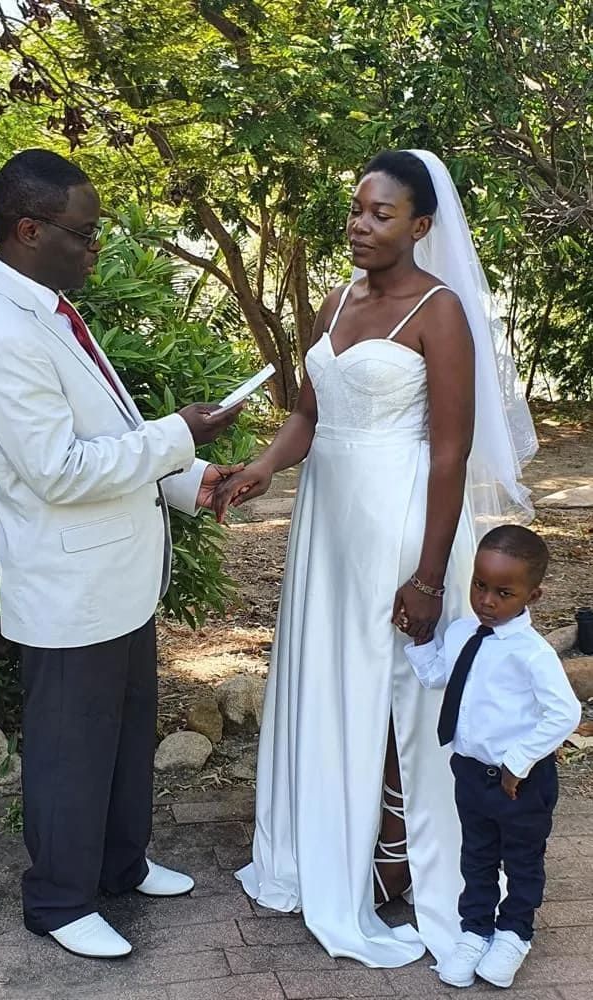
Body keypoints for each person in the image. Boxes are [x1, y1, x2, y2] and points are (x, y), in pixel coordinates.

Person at [213, 150, 537, 969]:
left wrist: (428, 578)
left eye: (380, 213)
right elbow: (307, 416)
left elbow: (450, 454)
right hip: (327, 525)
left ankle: (409, 854)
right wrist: (262, 468)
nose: (359, 225)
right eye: (356, 210)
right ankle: (342, 847)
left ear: (421, 225)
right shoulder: (335, 301)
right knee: (333, 681)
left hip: (401, 522)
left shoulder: (440, 311)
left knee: (400, 693)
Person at [0, 149, 242, 959]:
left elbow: (108, 437)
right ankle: (59, 900)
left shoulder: (50, 312)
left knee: (121, 734)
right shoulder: (2, 336)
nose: (94, 247)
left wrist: (188, 480)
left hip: (114, 576)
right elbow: (59, 470)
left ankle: (120, 864)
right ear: (28, 230)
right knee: (70, 748)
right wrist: (178, 433)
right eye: (83, 234)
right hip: (69, 584)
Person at [405, 526, 580, 989]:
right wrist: (421, 642)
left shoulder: (532, 653)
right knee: (477, 856)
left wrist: (518, 761)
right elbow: (439, 677)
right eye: (480, 585)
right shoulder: (463, 632)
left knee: (522, 860)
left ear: (532, 596)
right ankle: (475, 931)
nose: (486, 600)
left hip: (520, 781)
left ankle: (514, 934)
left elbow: (565, 713)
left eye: (504, 593)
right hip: (469, 772)